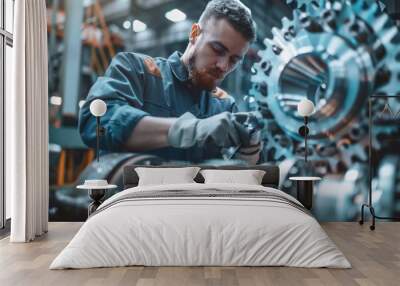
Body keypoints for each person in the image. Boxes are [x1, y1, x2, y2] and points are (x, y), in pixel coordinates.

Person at [78, 0, 262, 164]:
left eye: (234, 60)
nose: (223, 66)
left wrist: (250, 149)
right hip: (130, 200)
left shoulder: (225, 106)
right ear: (195, 33)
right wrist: (189, 130)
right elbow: (95, 121)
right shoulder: (137, 70)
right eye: (217, 49)